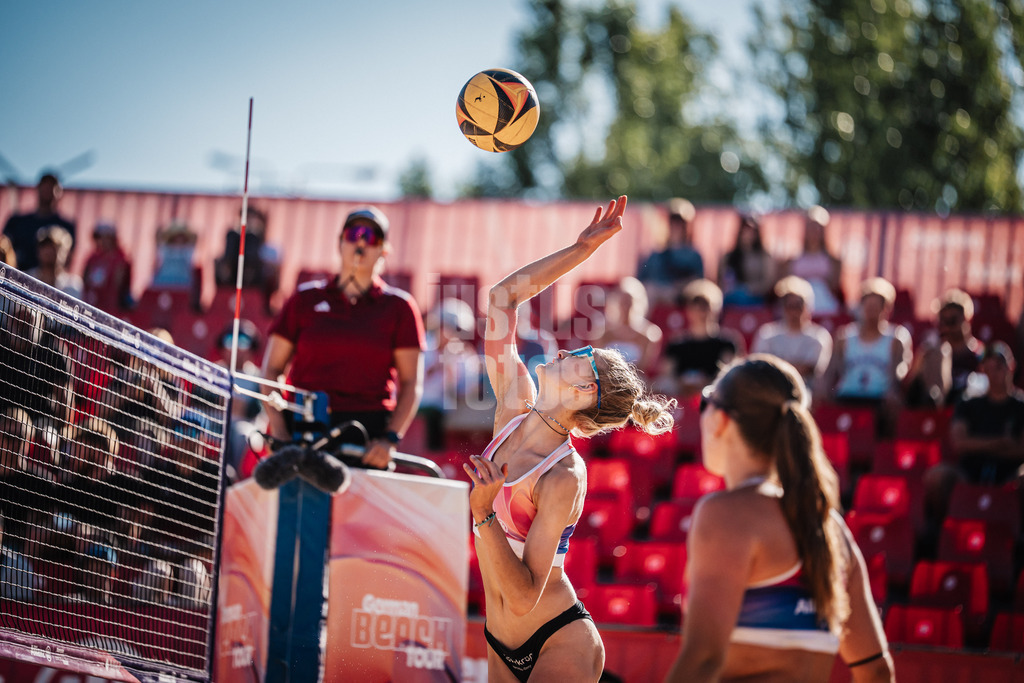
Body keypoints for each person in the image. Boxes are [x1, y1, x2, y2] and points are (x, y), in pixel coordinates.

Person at [465, 196, 676, 683]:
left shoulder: (564, 476)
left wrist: (483, 512)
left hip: (559, 641)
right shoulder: (513, 407)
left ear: (585, 391)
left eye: (582, 356)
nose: (569, 349)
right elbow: (501, 300)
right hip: (499, 641)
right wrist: (580, 251)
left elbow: (523, 596)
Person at [665, 355, 893, 683]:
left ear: (720, 420)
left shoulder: (728, 514)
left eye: (706, 402)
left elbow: (703, 659)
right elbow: (876, 670)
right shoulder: (831, 529)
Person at [261, 206, 425, 470]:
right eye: (353, 234)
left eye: (371, 237)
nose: (360, 242)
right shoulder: (304, 300)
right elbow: (271, 369)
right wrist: (279, 429)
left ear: (384, 250)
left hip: (367, 436)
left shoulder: (400, 308)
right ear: (339, 242)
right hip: (303, 427)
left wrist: (389, 439)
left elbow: (411, 383)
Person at [923, 342, 1024, 521]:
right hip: (970, 470)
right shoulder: (968, 403)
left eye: (999, 367)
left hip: (1010, 471)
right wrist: (1001, 443)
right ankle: (944, 530)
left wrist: (976, 444)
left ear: (1011, 367)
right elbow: (960, 444)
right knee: (937, 476)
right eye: (989, 367)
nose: (994, 374)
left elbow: (1020, 450)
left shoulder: (1020, 406)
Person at [818, 277, 912, 434]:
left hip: (879, 398)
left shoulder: (895, 338)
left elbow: (899, 371)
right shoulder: (845, 337)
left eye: (876, 307)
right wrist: (822, 389)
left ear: (886, 309)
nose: (871, 312)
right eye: (868, 306)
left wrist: (892, 391)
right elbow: (830, 370)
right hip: (848, 395)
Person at [654, 279, 743, 398]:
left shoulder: (727, 342)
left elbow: (730, 374)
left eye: (705, 306)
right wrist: (683, 382)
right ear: (688, 310)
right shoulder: (677, 344)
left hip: (714, 393)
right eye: (696, 305)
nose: (701, 312)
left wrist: (706, 382)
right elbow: (666, 374)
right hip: (680, 392)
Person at [419, 297, 486, 450]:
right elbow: (409, 381)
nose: (452, 334)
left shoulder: (465, 357)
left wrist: (452, 369)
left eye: (457, 330)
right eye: (448, 327)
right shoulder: (421, 346)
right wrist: (438, 365)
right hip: (419, 411)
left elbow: (466, 392)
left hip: (446, 418)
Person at [751, 276, 832, 394]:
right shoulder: (767, 334)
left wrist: (776, 365)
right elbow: (760, 367)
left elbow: (808, 369)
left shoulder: (819, 336)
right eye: (790, 306)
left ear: (807, 307)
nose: (794, 312)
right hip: (772, 391)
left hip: (806, 393)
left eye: (798, 306)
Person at [904, 288, 982, 408]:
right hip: (938, 408)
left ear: (966, 319)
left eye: (952, 321)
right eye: (943, 321)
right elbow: (910, 389)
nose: (947, 327)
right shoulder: (933, 353)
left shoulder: (978, 353)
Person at [2, 172, 76, 272]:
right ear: (38, 188)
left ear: (60, 192)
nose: (48, 190)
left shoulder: (66, 227)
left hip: (49, 285)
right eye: (45, 185)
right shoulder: (17, 222)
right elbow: (4, 250)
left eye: (52, 186)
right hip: (16, 281)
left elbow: (68, 261)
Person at [591, 275, 663, 377]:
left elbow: (645, 367)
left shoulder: (648, 335)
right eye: (623, 302)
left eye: (629, 303)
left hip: (634, 381)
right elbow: (596, 362)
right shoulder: (603, 333)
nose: (626, 307)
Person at [637, 198, 703, 307]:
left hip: (680, 301)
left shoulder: (694, 256)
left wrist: (676, 288)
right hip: (653, 302)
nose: (676, 227)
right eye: (673, 222)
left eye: (680, 223)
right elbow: (641, 281)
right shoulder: (655, 255)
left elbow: (698, 283)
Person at [781, 206, 843, 315]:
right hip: (797, 310)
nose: (814, 231)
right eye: (811, 226)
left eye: (817, 227)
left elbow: (834, 287)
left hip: (825, 308)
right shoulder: (792, 259)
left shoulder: (834, 261)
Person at [717, 214, 777, 307]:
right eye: (745, 230)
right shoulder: (729, 257)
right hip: (732, 301)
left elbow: (768, 282)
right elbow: (722, 280)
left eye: (752, 231)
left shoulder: (764, 257)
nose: (748, 234)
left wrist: (749, 290)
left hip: (756, 300)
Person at [82, 221, 133, 314]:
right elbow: (85, 280)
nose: (101, 241)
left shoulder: (121, 259)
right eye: (98, 238)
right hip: (91, 304)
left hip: (111, 309)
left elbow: (119, 286)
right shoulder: (93, 258)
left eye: (104, 237)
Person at [27, 225, 83, 299]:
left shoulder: (73, 286)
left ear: (66, 253)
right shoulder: (26, 280)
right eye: (44, 246)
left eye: (56, 247)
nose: (49, 251)